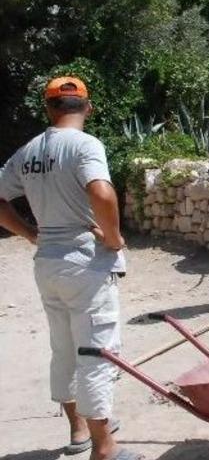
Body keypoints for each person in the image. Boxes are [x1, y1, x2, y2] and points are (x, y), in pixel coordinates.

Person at [0, 77, 143, 459]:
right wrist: (112, 239)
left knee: (63, 348)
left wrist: (31, 233)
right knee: (96, 351)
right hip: (85, 263)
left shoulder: (29, 152)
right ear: (88, 108)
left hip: (47, 261)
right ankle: (105, 447)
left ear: (48, 109)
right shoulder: (85, 144)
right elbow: (101, 191)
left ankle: (79, 430)